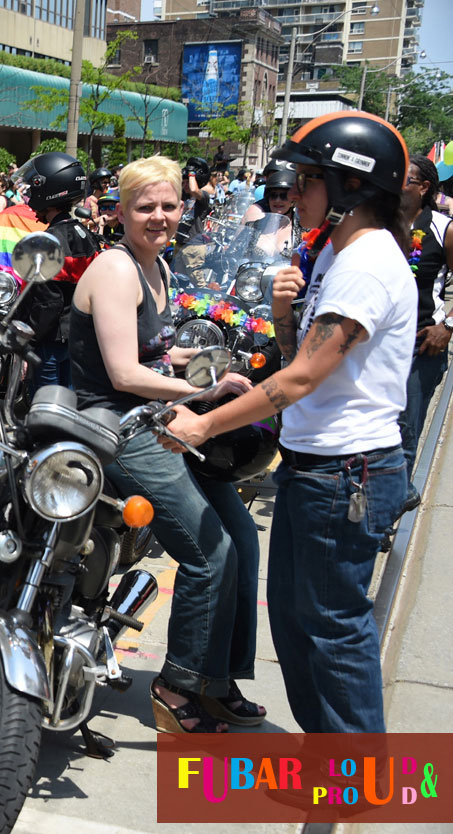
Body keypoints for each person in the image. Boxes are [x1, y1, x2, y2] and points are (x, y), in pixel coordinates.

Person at [162, 112, 415, 733]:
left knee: (331, 629)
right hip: (318, 467)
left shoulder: (365, 266)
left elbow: (300, 379)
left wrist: (204, 426)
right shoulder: (335, 252)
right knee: (300, 622)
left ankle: (353, 778)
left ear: (349, 187)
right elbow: (300, 354)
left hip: (345, 472)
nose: (293, 195)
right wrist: (281, 314)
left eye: (307, 181)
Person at [69, 155, 262, 733]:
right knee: (209, 554)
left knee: (243, 538)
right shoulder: (116, 269)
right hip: (116, 423)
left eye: (168, 205)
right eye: (144, 207)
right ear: (121, 212)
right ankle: (178, 687)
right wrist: (203, 384)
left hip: (159, 418)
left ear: (184, 208)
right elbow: (125, 372)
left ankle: (217, 679)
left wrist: (204, 358)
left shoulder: (160, 268)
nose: (158, 217)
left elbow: (153, 346)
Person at [13, 151, 100, 388]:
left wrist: (27, 337)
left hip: (50, 340)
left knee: (45, 407)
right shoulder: (85, 234)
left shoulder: (47, 242)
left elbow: (47, 301)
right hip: (78, 338)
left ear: (48, 189)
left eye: (34, 187)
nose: (30, 195)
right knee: (69, 404)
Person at [397, 154, 453, 512]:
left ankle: (387, 513)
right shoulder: (380, 223)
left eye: (406, 179)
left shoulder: (443, 227)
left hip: (422, 347)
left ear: (424, 188)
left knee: (405, 432)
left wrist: (447, 325)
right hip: (376, 345)